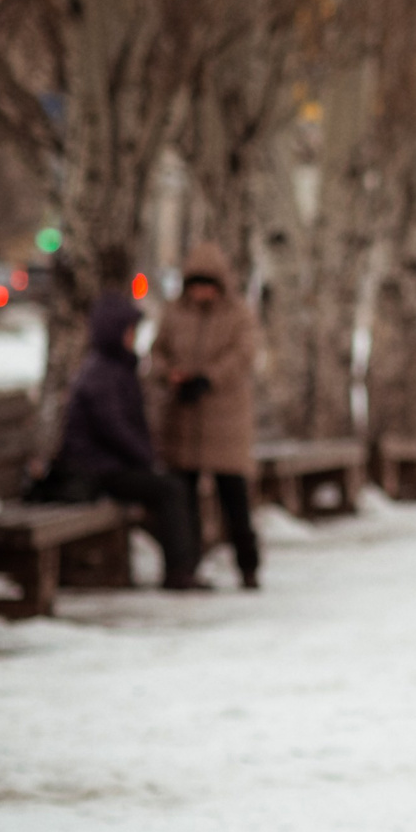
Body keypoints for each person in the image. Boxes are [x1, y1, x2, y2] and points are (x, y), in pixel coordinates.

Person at [51, 291, 203, 591]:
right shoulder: (101, 373)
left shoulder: (118, 368)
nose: (134, 337)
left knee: (173, 484)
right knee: (170, 488)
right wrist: (147, 460)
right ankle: (180, 571)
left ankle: (185, 566)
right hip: (95, 470)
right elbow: (114, 428)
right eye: (131, 330)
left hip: (110, 465)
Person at [151, 242, 262, 590]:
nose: (201, 293)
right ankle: (186, 565)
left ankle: (248, 565)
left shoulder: (238, 314)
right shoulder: (174, 313)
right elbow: (156, 353)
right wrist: (170, 373)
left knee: (234, 498)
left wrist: (208, 378)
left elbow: (243, 355)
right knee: (184, 501)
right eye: (195, 285)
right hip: (183, 420)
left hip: (225, 420)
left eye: (207, 285)